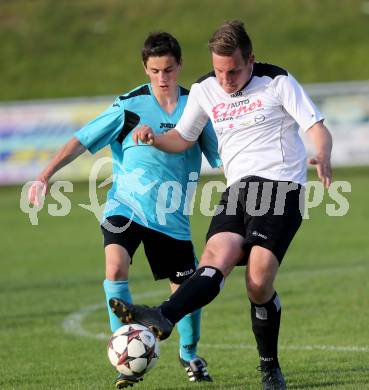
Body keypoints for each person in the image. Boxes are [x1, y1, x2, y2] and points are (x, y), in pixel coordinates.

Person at [108, 20, 333, 390]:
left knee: (258, 282)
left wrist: (322, 153)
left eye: (233, 71)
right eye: (218, 70)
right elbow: (182, 137)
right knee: (214, 260)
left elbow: (316, 126)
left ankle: (270, 366)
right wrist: (153, 139)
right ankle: (162, 316)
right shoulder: (205, 88)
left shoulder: (277, 81)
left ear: (251, 60)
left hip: (279, 187)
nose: (225, 80)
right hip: (237, 190)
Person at [28, 32, 222, 388]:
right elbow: (81, 140)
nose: (162, 78)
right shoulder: (129, 105)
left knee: (185, 290)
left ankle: (189, 353)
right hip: (126, 206)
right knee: (115, 266)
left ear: (179, 65)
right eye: (154, 70)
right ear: (145, 69)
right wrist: (44, 175)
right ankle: (124, 355)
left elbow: (222, 155)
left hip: (172, 216)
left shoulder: (197, 106)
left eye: (168, 69)